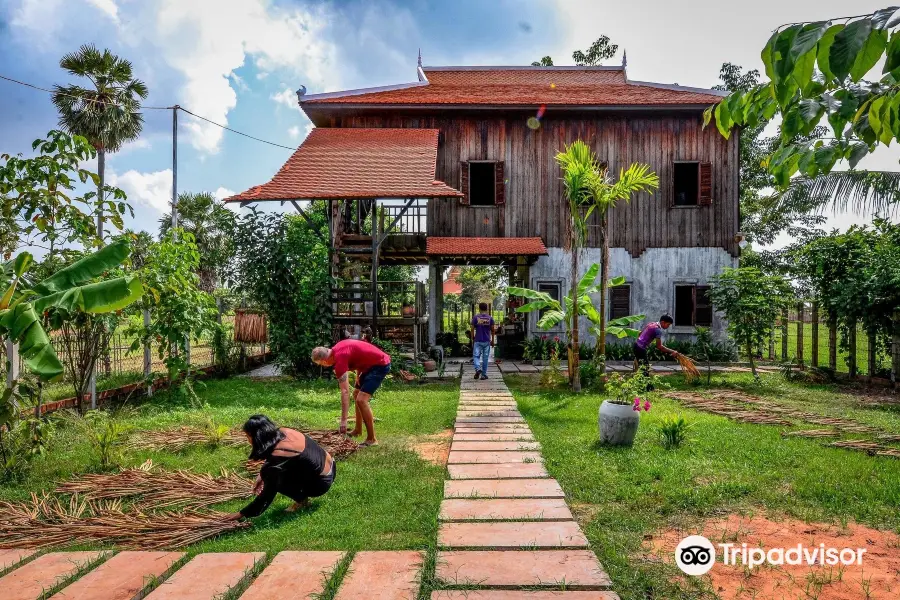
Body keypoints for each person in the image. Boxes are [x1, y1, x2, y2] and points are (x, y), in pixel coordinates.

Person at [224, 415, 335, 520]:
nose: (247, 440)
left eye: (248, 436)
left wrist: (241, 514)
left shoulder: (277, 459)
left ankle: (302, 501)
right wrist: (261, 475)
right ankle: (302, 497)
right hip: (330, 468)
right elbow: (274, 457)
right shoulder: (284, 431)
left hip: (321, 484)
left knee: (278, 480)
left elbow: (266, 496)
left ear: (257, 437)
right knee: (273, 473)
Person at [311, 339, 391, 446]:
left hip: (379, 365)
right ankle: (358, 430)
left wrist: (343, 421)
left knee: (361, 400)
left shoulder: (339, 360)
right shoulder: (338, 347)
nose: (324, 366)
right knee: (356, 394)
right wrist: (358, 375)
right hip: (369, 366)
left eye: (321, 364)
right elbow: (360, 355)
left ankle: (372, 439)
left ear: (324, 361)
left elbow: (344, 391)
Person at [470, 302, 495, 380]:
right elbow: (493, 330)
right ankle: (483, 375)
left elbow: (472, 328)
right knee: (485, 358)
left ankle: (478, 369)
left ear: (479, 308)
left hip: (478, 340)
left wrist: (472, 337)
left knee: (476, 356)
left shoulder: (475, 317)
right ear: (487, 308)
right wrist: (493, 340)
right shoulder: (490, 318)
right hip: (487, 341)